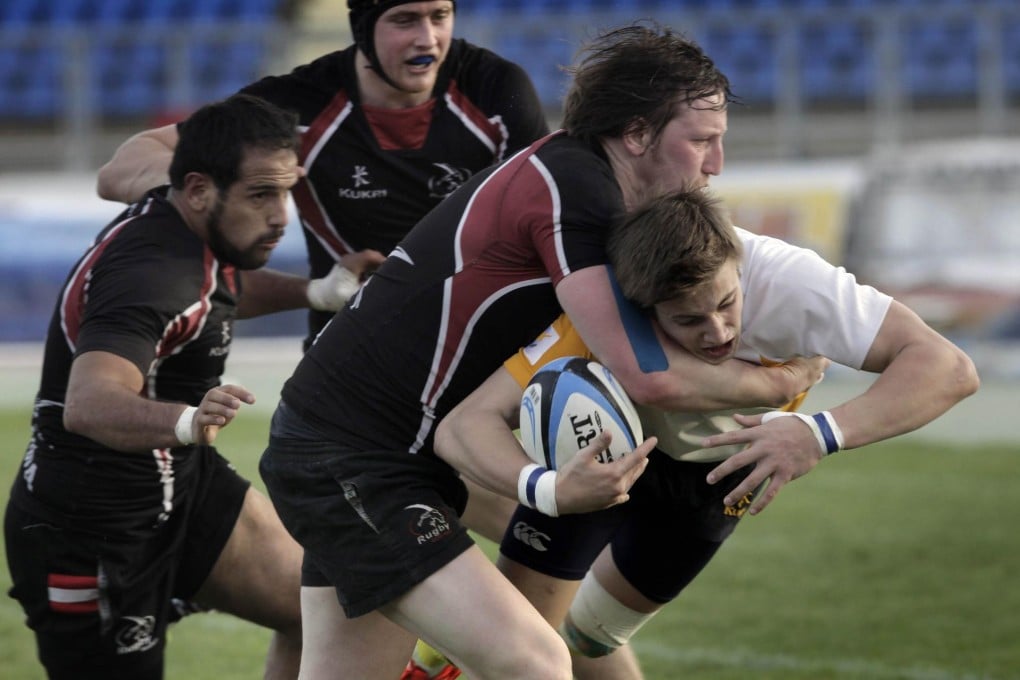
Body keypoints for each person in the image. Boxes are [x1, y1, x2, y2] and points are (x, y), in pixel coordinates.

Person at [256, 24, 827, 680]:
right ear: (637, 134)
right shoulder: (576, 194)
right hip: (351, 458)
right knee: (536, 662)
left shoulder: (576, 178)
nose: (716, 163)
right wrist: (783, 385)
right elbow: (647, 374)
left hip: (362, 452)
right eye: (702, 140)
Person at [433, 187, 980, 677]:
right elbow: (464, 426)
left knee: (591, 638)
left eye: (725, 304)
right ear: (640, 310)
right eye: (688, 321)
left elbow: (949, 368)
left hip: (717, 474)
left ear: (739, 269)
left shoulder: (794, 284)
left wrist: (819, 432)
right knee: (513, 640)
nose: (718, 331)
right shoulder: (598, 312)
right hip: (601, 446)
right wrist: (547, 488)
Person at [2, 93, 378, 679]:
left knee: (344, 608)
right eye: (261, 195)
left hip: (185, 487)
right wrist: (184, 420)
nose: (281, 215)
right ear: (200, 188)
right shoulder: (152, 273)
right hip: (90, 528)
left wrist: (314, 293)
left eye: (286, 191)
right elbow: (89, 403)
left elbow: (212, 296)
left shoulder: (189, 222)